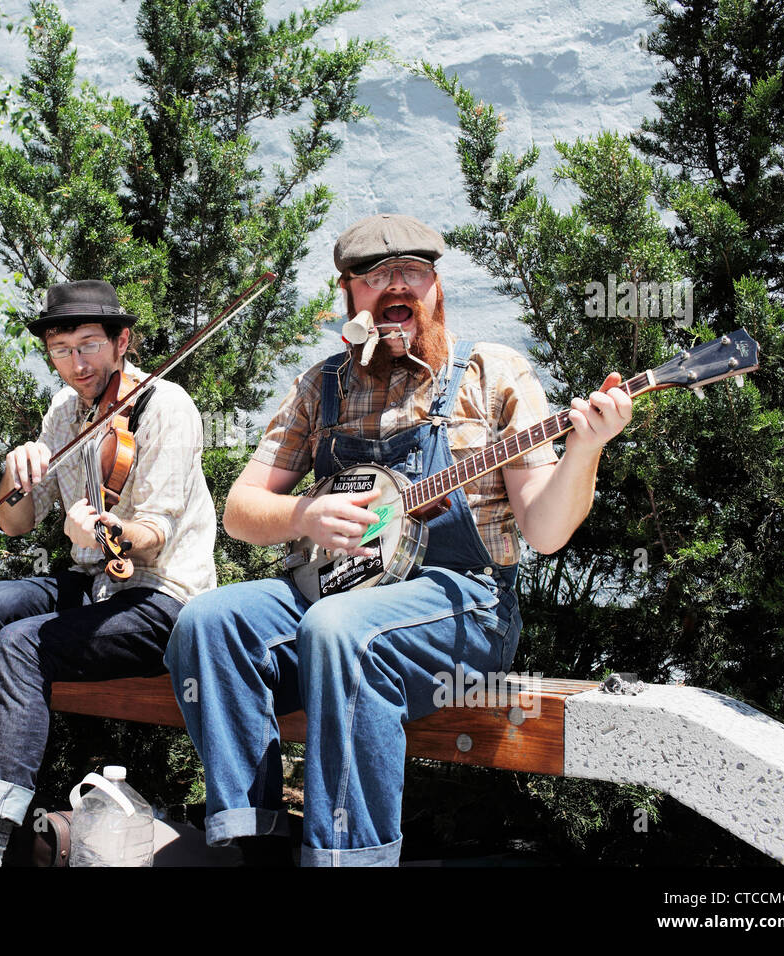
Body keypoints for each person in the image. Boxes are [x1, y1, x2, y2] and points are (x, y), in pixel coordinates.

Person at [164, 213, 633, 866]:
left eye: (412, 273)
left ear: (436, 287)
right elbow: (242, 510)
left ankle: (348, 860)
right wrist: (304, 516)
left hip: (463, 606)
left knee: (339, 629)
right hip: (341, 590)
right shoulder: (321, 387)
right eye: (374, 278)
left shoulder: (492, 375)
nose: (396, 288)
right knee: (209, 620)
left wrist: (585, 450)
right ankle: (253, 843)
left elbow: (546, 534)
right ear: (348, 295)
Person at [0, 279, 217, 867]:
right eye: (61, 351)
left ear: (122, 342)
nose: (76, 363)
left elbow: (154, 534)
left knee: (23, 643)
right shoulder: (66, 411)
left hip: (163, 595)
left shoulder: (166, 407)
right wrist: (17, 471)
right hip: (97, 585)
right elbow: (16, 522)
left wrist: (104, 533)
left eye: (88, 345)